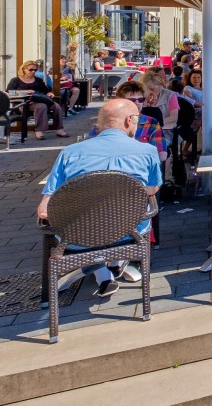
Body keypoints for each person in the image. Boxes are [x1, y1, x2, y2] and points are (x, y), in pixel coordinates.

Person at [38, 99, 160, 296]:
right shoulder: (147, 151)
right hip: (129, 231)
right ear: (129, 120)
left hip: (76, 236)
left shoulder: (69, 153)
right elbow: (152, 189)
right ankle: (109, 265)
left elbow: (44, 209)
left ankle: (99, 269)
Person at [7, 61, 69, 140]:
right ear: (24, 69)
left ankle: (59, 129)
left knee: (56, 106)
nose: (33, 72)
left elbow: (46, 91)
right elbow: (10, 93)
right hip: (23, 103)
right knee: (41, 107)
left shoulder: (38, 80)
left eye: (35, 70)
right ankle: (39, 130)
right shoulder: (16, 80)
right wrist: (25, 92)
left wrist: (50, 93)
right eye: (31, 70)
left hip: (40, 99)